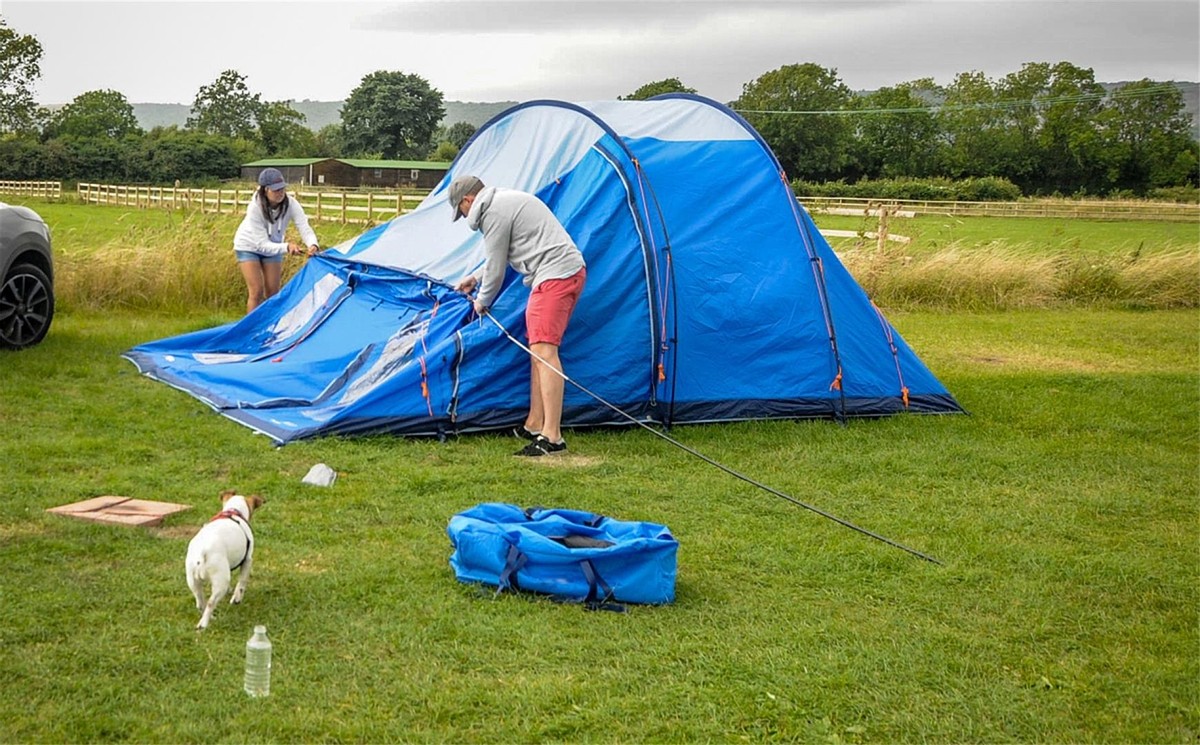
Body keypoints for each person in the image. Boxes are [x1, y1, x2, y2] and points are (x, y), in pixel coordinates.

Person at [450, 175, 587, 457]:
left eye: (460, 211)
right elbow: (498, 256)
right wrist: (475, 279)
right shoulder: (503, 201)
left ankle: (552, 437)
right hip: (561, 274)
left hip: (555, 277)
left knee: (545, 352)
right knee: (538, 351)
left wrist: (481, 303)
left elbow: (498, 269)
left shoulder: (494, 211)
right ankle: (535, 423)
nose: (463, 217)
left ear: (467, 200)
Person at [233, 167, 320, 314]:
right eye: (276, 190)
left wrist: (313, 244)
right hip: (248, 246)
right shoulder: (255, 208)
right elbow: (262, 244)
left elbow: (304, 227)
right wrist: (287, 247)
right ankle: (251, 332)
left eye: (282, 189)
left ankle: (272, 329)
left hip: (274, 247)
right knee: (256, 291)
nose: (280, 193)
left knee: (273, 293)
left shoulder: (291, 204)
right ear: (265, 190)